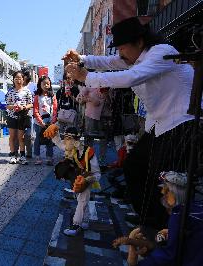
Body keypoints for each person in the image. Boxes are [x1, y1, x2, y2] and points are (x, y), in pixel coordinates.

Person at [63, 16, 198, 228]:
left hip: (181, 123)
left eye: (122, 48)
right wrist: (81, 58)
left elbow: (131, 77)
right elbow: (107, 62)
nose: (120, 54)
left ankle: (166, 227)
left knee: (167, 180)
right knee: (135, 167)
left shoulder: (161, 52)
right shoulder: (135, 57)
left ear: (139, 42)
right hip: (161, 124)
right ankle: (150, 219)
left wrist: (86, 77)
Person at [113, 171, 203, 266]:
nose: (162, 193)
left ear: (176, 193)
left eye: (166, 190)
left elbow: (169, 254)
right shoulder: (195, 207)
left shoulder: (179, 215)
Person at [44, 125, 101, 236]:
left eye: (69, 138)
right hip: (76, 175)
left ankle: (76, 225)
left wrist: (87, 180)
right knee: (81, 199)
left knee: (82, 199)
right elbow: (59, 143)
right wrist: (55, 131)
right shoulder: (69, 147)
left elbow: (97, 173)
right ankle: (85, 221)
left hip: (88, 176)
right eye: (65, 137)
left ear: (76, 140)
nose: (66, 141)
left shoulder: (88, 152)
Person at [5, 71, 33, 165]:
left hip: (22, 116)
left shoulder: (27, 91)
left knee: (21, 137)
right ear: (13, 80)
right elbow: (7, 105)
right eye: (16, 78)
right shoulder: (10, 91)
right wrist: (14, 107)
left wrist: (24, 107)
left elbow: (31, 104)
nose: (18, 80)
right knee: (12, 137)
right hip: (12, 116)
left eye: (20, 78)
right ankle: (13, 155)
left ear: (23, 79)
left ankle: (22, 156)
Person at [33, 76, 57, 165]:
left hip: (50, 122)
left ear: (50, 85)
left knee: (49, 140)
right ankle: (37, 157)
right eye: (44, 83)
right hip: (39, 122)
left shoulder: (52, 96)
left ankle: (49, 157)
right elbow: (35, 110)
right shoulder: (37, 96)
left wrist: (53, 121)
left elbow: (55, 110)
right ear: (40, 84)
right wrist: (40, 121)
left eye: (48, 83)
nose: (46, 85)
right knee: (38, 140)